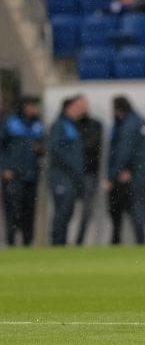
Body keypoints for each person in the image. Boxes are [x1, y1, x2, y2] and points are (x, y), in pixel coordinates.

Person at [0, 96, 44, 246]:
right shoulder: (10, 122)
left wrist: (40, 149)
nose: (35, 109)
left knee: (29, 211)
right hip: (13, 175)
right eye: (32, 106)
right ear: (25, 106)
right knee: (12, 211)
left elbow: (43, 144)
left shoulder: (37, 123)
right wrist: (4, 168)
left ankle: (27, 243)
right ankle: (11, 242)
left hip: (31, 175)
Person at [49, 96, 87, 246]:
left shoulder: (71, 125)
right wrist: (74, 166)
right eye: (81, 105)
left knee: (67, 213)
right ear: (71, 106)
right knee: (62, 212)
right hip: (61, 176)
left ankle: (61, 244)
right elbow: (57, 148)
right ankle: (57, 245)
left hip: (71, 177)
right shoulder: (60, 125)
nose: (84, 109)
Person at [105, 96, 142, 245]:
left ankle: (119, 240)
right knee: (126, 211)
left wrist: (112, 176)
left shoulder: (128, 124)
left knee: (125, 211)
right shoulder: (131, 122)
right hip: (127, 172)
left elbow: (124, 151)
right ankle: (122, 240)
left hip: (125, 175)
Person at [75, 96, 103, 246]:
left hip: (88, 173)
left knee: (87, 209)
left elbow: (91, 146)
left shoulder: (95, 125)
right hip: (72, 174)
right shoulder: (68, 124)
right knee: (65, 210)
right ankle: (61, 241)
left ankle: (80, 241)